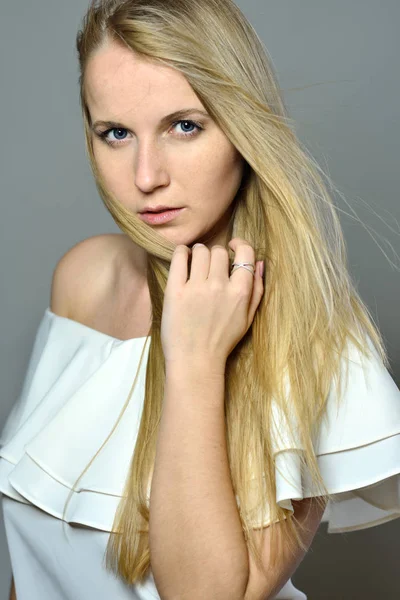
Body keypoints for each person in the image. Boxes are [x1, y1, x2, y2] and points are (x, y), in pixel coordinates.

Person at [1, 1, 400, 599]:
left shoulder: (312, 337)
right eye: (115, 133)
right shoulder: (85, 278)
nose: (145, 176)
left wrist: (193, 360)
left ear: (243, 128)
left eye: (183, 126)